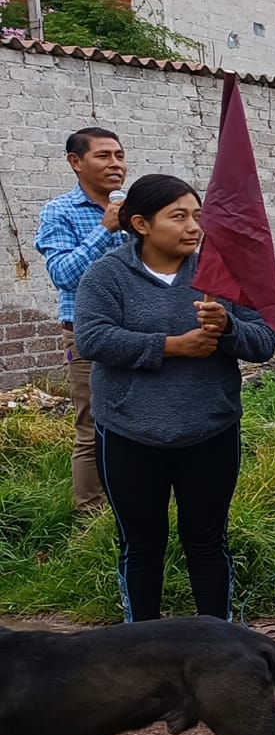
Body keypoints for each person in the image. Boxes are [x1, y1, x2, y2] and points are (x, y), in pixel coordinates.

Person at [72, 174, 275, 622]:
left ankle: (216, 642)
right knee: (141, 544)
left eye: (197, 216)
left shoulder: (219, 275)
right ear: (142, 224)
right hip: (129, 432)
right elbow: (91, 339)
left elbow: (264, 342)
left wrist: (227, 327)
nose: (193, 227)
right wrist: (171, 346)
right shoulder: (108, 274)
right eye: (178, 216)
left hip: (209, 430)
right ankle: (142, 644)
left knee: (207, 540)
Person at [34, 127, 128, 514]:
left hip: (144, 333)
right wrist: (106, 228)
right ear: (76, 162)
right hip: (90, 336)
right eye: (103, 156)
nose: (116, 165)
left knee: (141, 420)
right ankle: (90, 512)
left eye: (120, 156)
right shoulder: (60, 211)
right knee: (93, 425)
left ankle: (137, 500)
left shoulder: (138, 208)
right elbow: (65, 275)